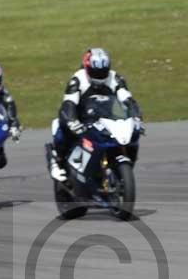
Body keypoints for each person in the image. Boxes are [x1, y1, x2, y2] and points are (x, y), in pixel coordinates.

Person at [47, 48, 144, 182]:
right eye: (95, 72)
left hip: (106, 119)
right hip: (82, 119)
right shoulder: (77, 79)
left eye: (102, 72)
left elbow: (128, 101)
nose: (99, 76)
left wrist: (137, 118)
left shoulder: (115, 78)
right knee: (60, 125)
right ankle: (56, 161)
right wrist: (72, 121)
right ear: (87, 68)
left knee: (130, 138)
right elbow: (68, 104)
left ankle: (119, 173)